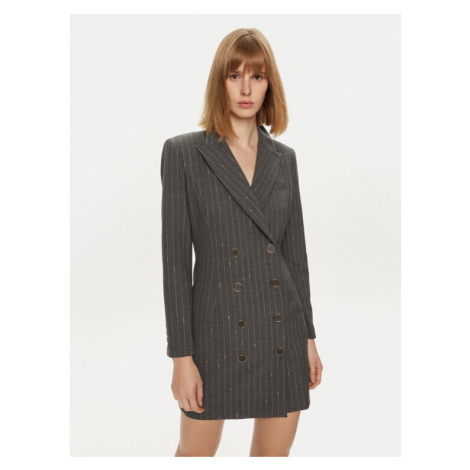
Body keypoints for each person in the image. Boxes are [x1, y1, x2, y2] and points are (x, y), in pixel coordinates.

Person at [160, 28, 323, 457]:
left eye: (257, 76)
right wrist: (181, 359)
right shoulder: (184, 154)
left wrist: (308, 338)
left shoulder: (284, 159)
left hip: (281, 332)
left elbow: (296, 258)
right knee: (193, 456)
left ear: (270, 84)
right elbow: (175, 267)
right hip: (214, 336)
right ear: (220, 81)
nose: (246, 89)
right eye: (235, 76)